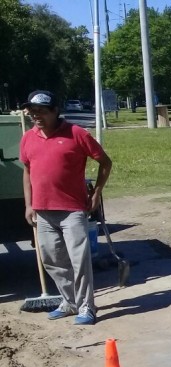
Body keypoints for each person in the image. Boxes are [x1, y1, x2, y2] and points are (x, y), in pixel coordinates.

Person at [20, 90, 112, 325]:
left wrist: (97, 193)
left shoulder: (76, 134)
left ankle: (86, 307)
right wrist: (29, 205)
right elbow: (28, 171)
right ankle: (69, 302)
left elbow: (104, 162)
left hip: (72, 210)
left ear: (55, 111)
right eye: (32, 110)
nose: (36, 115)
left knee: (79, 260)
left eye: (42, 110)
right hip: (42, 210)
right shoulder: (28, 137)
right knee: (52, 259)